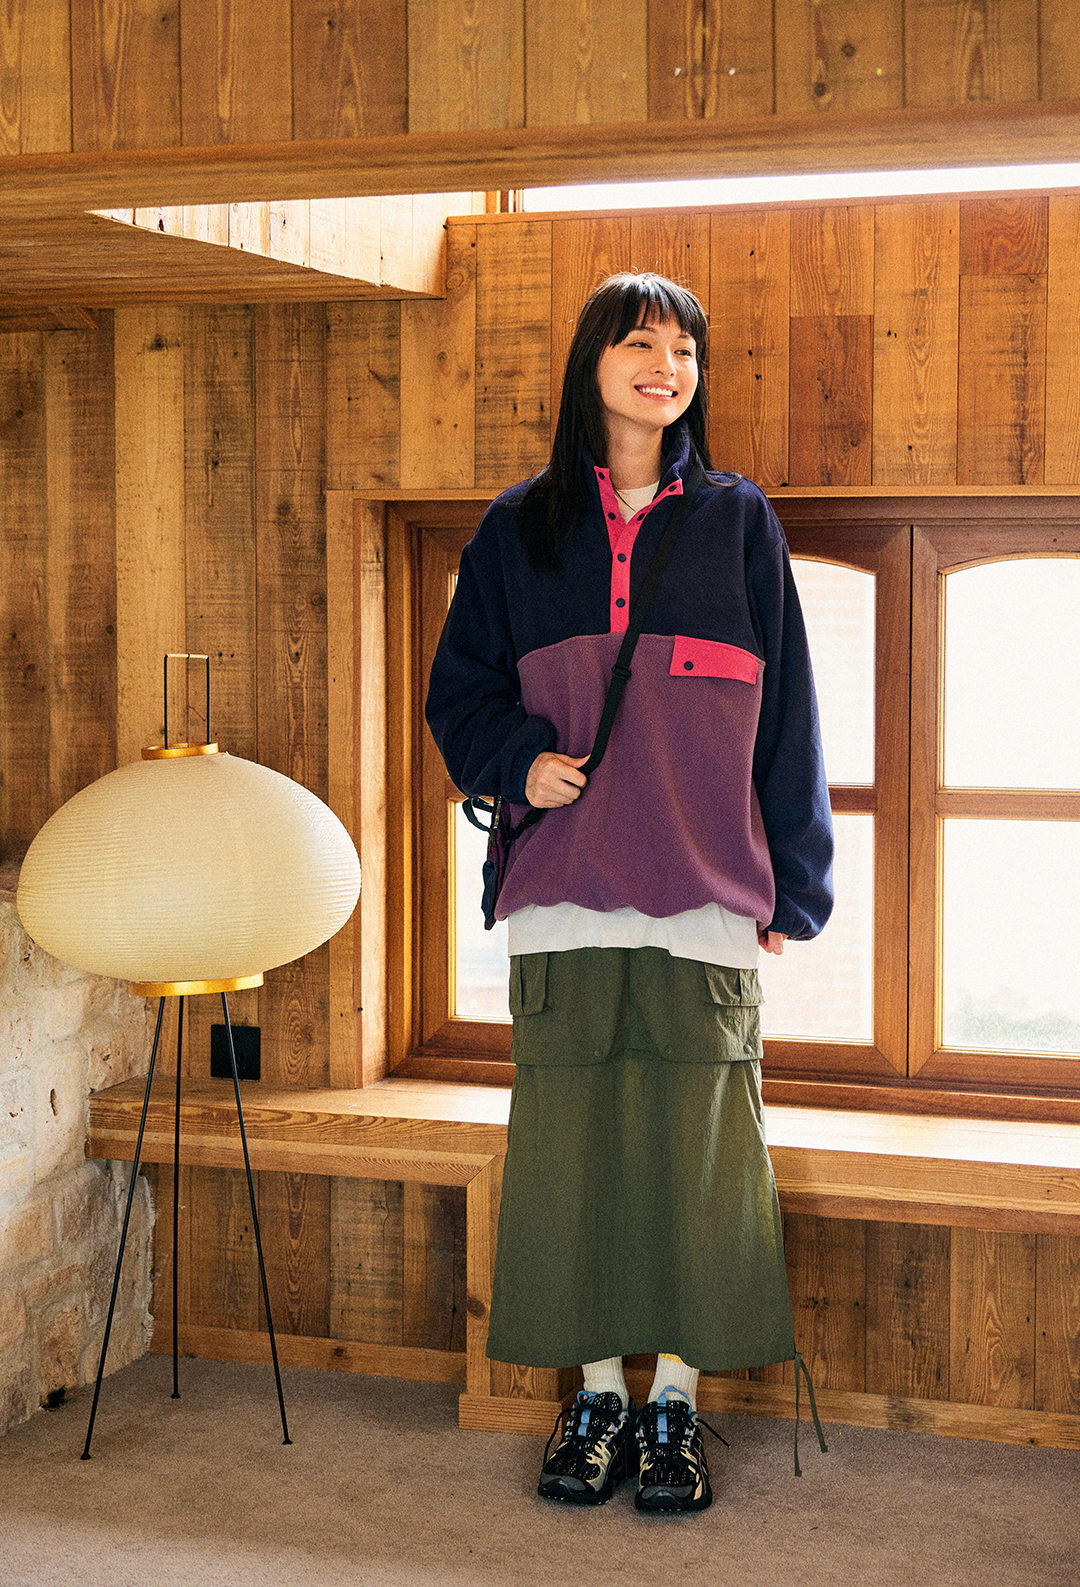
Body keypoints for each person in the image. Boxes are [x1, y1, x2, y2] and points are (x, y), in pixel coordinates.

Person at [426, 272, 833, 1514]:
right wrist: (520, 764)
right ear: (591, 364)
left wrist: (795, 885)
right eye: (640, 344)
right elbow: (459, 696)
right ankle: (598, 1396)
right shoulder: (517, 530)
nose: (666, 368)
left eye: (684, 350)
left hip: (705, 894)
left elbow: (790, 714)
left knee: (701, 1164)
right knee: (572, 1160)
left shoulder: (738, 524)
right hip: (561, 891)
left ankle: (675, 1410)